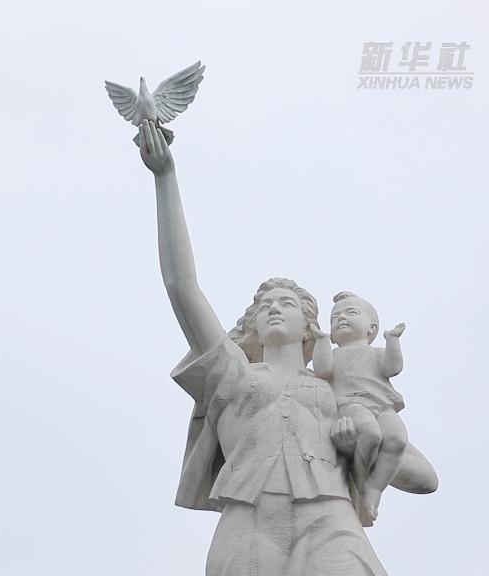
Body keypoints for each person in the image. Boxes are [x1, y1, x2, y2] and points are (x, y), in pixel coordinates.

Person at [137, 119, 387, 575]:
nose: (273, 309)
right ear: (250, 324)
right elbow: (182, 286)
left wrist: (359, 443)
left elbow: (407, 464)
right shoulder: (233, 374)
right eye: (264, 306)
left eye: (286, 303)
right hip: (250, 517)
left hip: (331, 516)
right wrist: (165, 177)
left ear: (309, 326)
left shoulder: (333, 385)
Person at [311, 291, 409, 524]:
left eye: (351, 313)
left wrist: (392, 340)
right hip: (350, 404)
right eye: (334, 318)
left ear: (371, 328)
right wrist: (321, 341)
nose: (341, 318)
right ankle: (360, 480)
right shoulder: (334, 354)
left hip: (382, 405)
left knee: (397, 440)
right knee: (370, 433)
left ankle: (374, 488)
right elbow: (321, 371)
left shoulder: (376, 353)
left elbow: (393, 368)